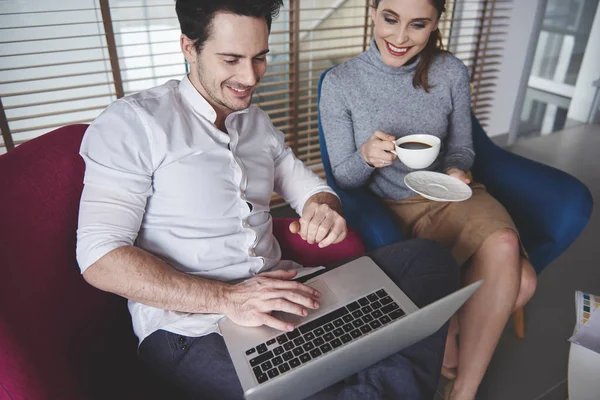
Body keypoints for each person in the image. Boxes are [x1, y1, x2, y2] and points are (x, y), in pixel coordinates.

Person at [76, 0, 459, 399]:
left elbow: (314, 191)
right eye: (231, 59)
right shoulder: (133, 123)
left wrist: (323, 210)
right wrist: (227, 297)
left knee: (429, 261)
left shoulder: (256, 122)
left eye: (260, 57)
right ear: (189, 47)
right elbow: (100, 259)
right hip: (194, 329)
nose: (250, 76)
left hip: (286, 290)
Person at [319, 0, 538, 399]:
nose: (400, 38)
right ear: (372, 11)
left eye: (418, 25)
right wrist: (366, 156)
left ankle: (462, 391)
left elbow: (461, 148)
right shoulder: (341, 82)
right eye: (390, 19)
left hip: (448, 195)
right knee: (520, 283)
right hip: (392, 206)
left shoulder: (451, 71)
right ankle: (452, 331)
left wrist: (457, 170)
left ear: (437, 22)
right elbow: (344, 180)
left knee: (508, 249)